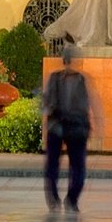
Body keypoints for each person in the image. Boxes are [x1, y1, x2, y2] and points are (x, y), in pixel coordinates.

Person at [40, 44, 93, 212]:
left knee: (78, 166)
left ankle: (72, 199)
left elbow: (89, 102)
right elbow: (47, 101)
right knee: (52, 165)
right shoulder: (54, 78)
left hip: (76, 127)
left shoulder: (82, 80)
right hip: (57, 125)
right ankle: (53, 199)